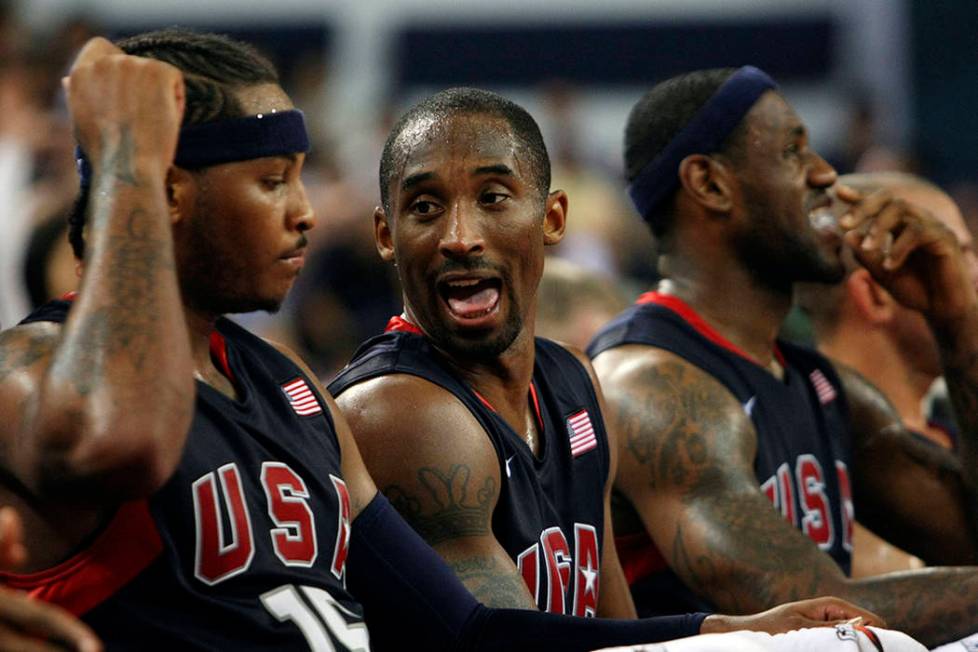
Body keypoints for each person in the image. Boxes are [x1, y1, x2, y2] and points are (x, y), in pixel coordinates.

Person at [0, 33, 876, 652]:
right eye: (271, 181)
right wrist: (123, 165)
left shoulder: (291, 393)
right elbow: (119, 443)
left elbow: (464, 631)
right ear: (169, 192)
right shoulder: (30, 370)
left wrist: (713, 636)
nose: (307, 212)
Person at [588, 66, 978, 648]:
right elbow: (818, 615)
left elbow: (968, 536)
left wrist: (956, 318)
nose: (826, 173)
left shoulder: (817, 384)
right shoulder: (649, 383)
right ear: (711, 184)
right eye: (795, 151)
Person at [797, 172, 978, 576]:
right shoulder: (811, 456)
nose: (973, 278)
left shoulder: (951, 434)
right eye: (954, 255)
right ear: (878, 293)